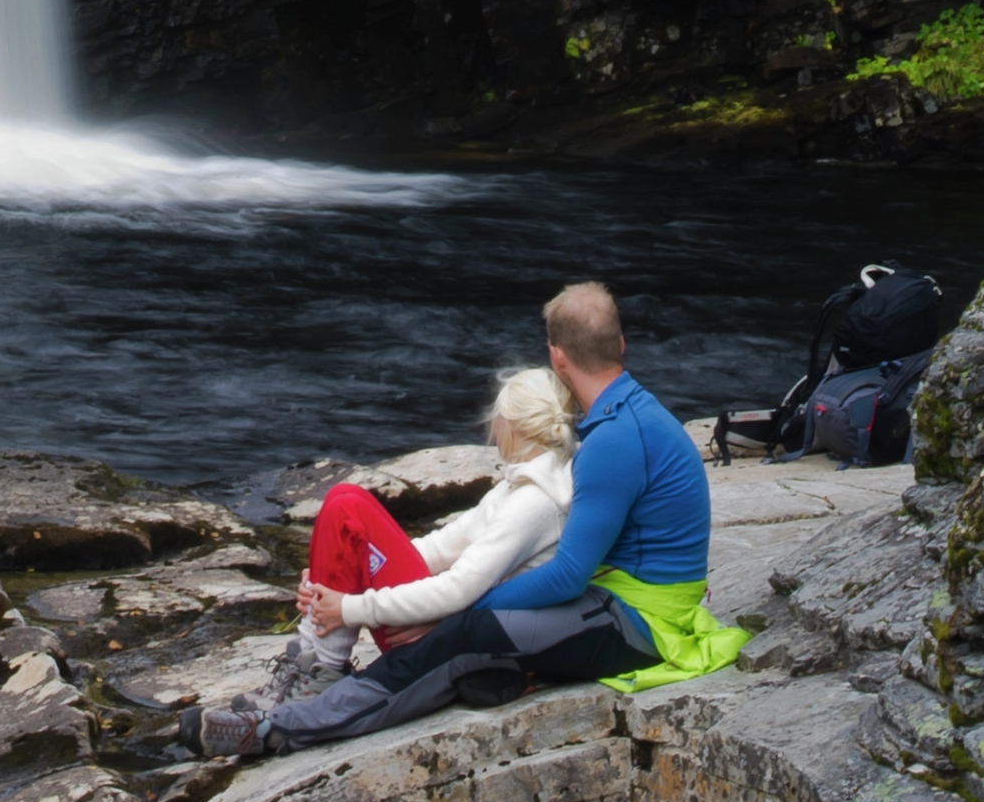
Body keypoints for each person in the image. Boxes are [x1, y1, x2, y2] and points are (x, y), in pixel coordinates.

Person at [185, 281, 746, 758]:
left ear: (557, 357)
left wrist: (460, 610)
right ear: (621, 344)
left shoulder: (615, 440)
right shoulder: (637, 415)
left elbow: (570, 576)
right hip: (631, 604)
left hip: (641, 626)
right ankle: (358, 687)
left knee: (466, 634)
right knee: (468, 632)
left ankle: (276, 730)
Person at [234, 368, 581, 715]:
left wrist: (348, 607)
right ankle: (311, 661)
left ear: (513, 425)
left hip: (446, 644)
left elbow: (459, 589)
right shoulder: (518, 486)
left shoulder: (534, 503)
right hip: (443, 626)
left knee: (348, 505)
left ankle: (323, 669)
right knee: (344, 498)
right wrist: (344, 570)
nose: (494, 427)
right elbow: (440, 547)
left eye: (499, 418)